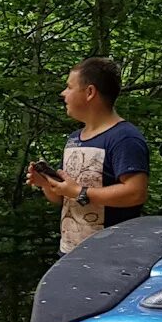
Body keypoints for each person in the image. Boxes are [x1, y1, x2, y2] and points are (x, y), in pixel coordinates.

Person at [26, 57, 149, 254]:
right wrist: (46, 184)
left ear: (90, 92)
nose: (63, 93)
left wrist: (79, 192)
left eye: (69, 87)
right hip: (70, 252)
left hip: (109, 255)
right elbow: (64, 197)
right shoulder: (75, 138)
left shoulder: (124, 137)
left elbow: (136, 193)